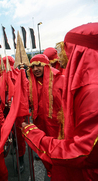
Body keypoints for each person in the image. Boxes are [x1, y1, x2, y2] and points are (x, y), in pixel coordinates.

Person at [21, 23, 98, 181]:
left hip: (81, 167)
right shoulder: (83, 85)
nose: (63, 58)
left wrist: (35, 137)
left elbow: (82, 151)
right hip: (52, 133)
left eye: (67, 51)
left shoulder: (91, 90)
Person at [27, 54, 64, 139]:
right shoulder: (31, 85)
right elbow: (27, 103)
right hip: (40, 126)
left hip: (58, 125)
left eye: (39, 65)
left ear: (46, 66)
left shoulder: (61, 80)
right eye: (33, 67)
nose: (36, 69)